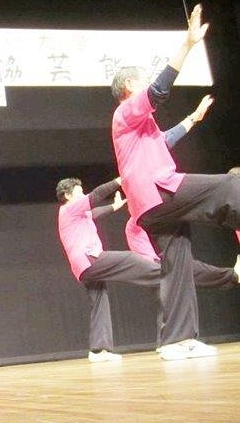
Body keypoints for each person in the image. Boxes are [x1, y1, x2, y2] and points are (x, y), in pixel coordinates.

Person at [110, 4, 239, 360]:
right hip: (158, 191)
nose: (146, 83)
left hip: (150, 208)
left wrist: (192, 119)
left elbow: (163, 141)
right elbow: (158, 91)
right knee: (230, 186)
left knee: (177, 264)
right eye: (141, 80)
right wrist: (188, 44)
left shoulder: (137, 127)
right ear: (129, 87)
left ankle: (176, 341)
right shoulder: (126, 111)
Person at [56, 177, 163, 362]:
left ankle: (99, 351)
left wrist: (114, 206)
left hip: (82, 267)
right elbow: (96, 195)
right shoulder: (69, 208)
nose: (83, 195)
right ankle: (165, 273)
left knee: (100, 301)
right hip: (89, 259)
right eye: (79, 192)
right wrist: (118, 181)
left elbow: (94, 213)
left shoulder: (76, 214)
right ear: (67, 195)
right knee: (129, 259)